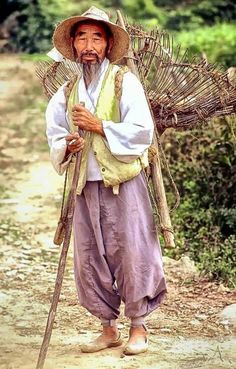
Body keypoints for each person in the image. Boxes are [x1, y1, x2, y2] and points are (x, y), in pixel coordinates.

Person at [45, 6, 167, 355]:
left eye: (96, 37)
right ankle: (108, 329)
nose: (89, 45)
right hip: (85, 186)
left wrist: (99, 125)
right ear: (72, 43)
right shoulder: (66, 91)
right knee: (91, 258)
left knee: (133, 253)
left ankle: (139, 327)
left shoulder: (123, 81)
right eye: (82, 36)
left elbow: (142, 131)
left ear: (108, 43)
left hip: (123, 183)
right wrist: (68, 144)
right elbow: (55, 135)